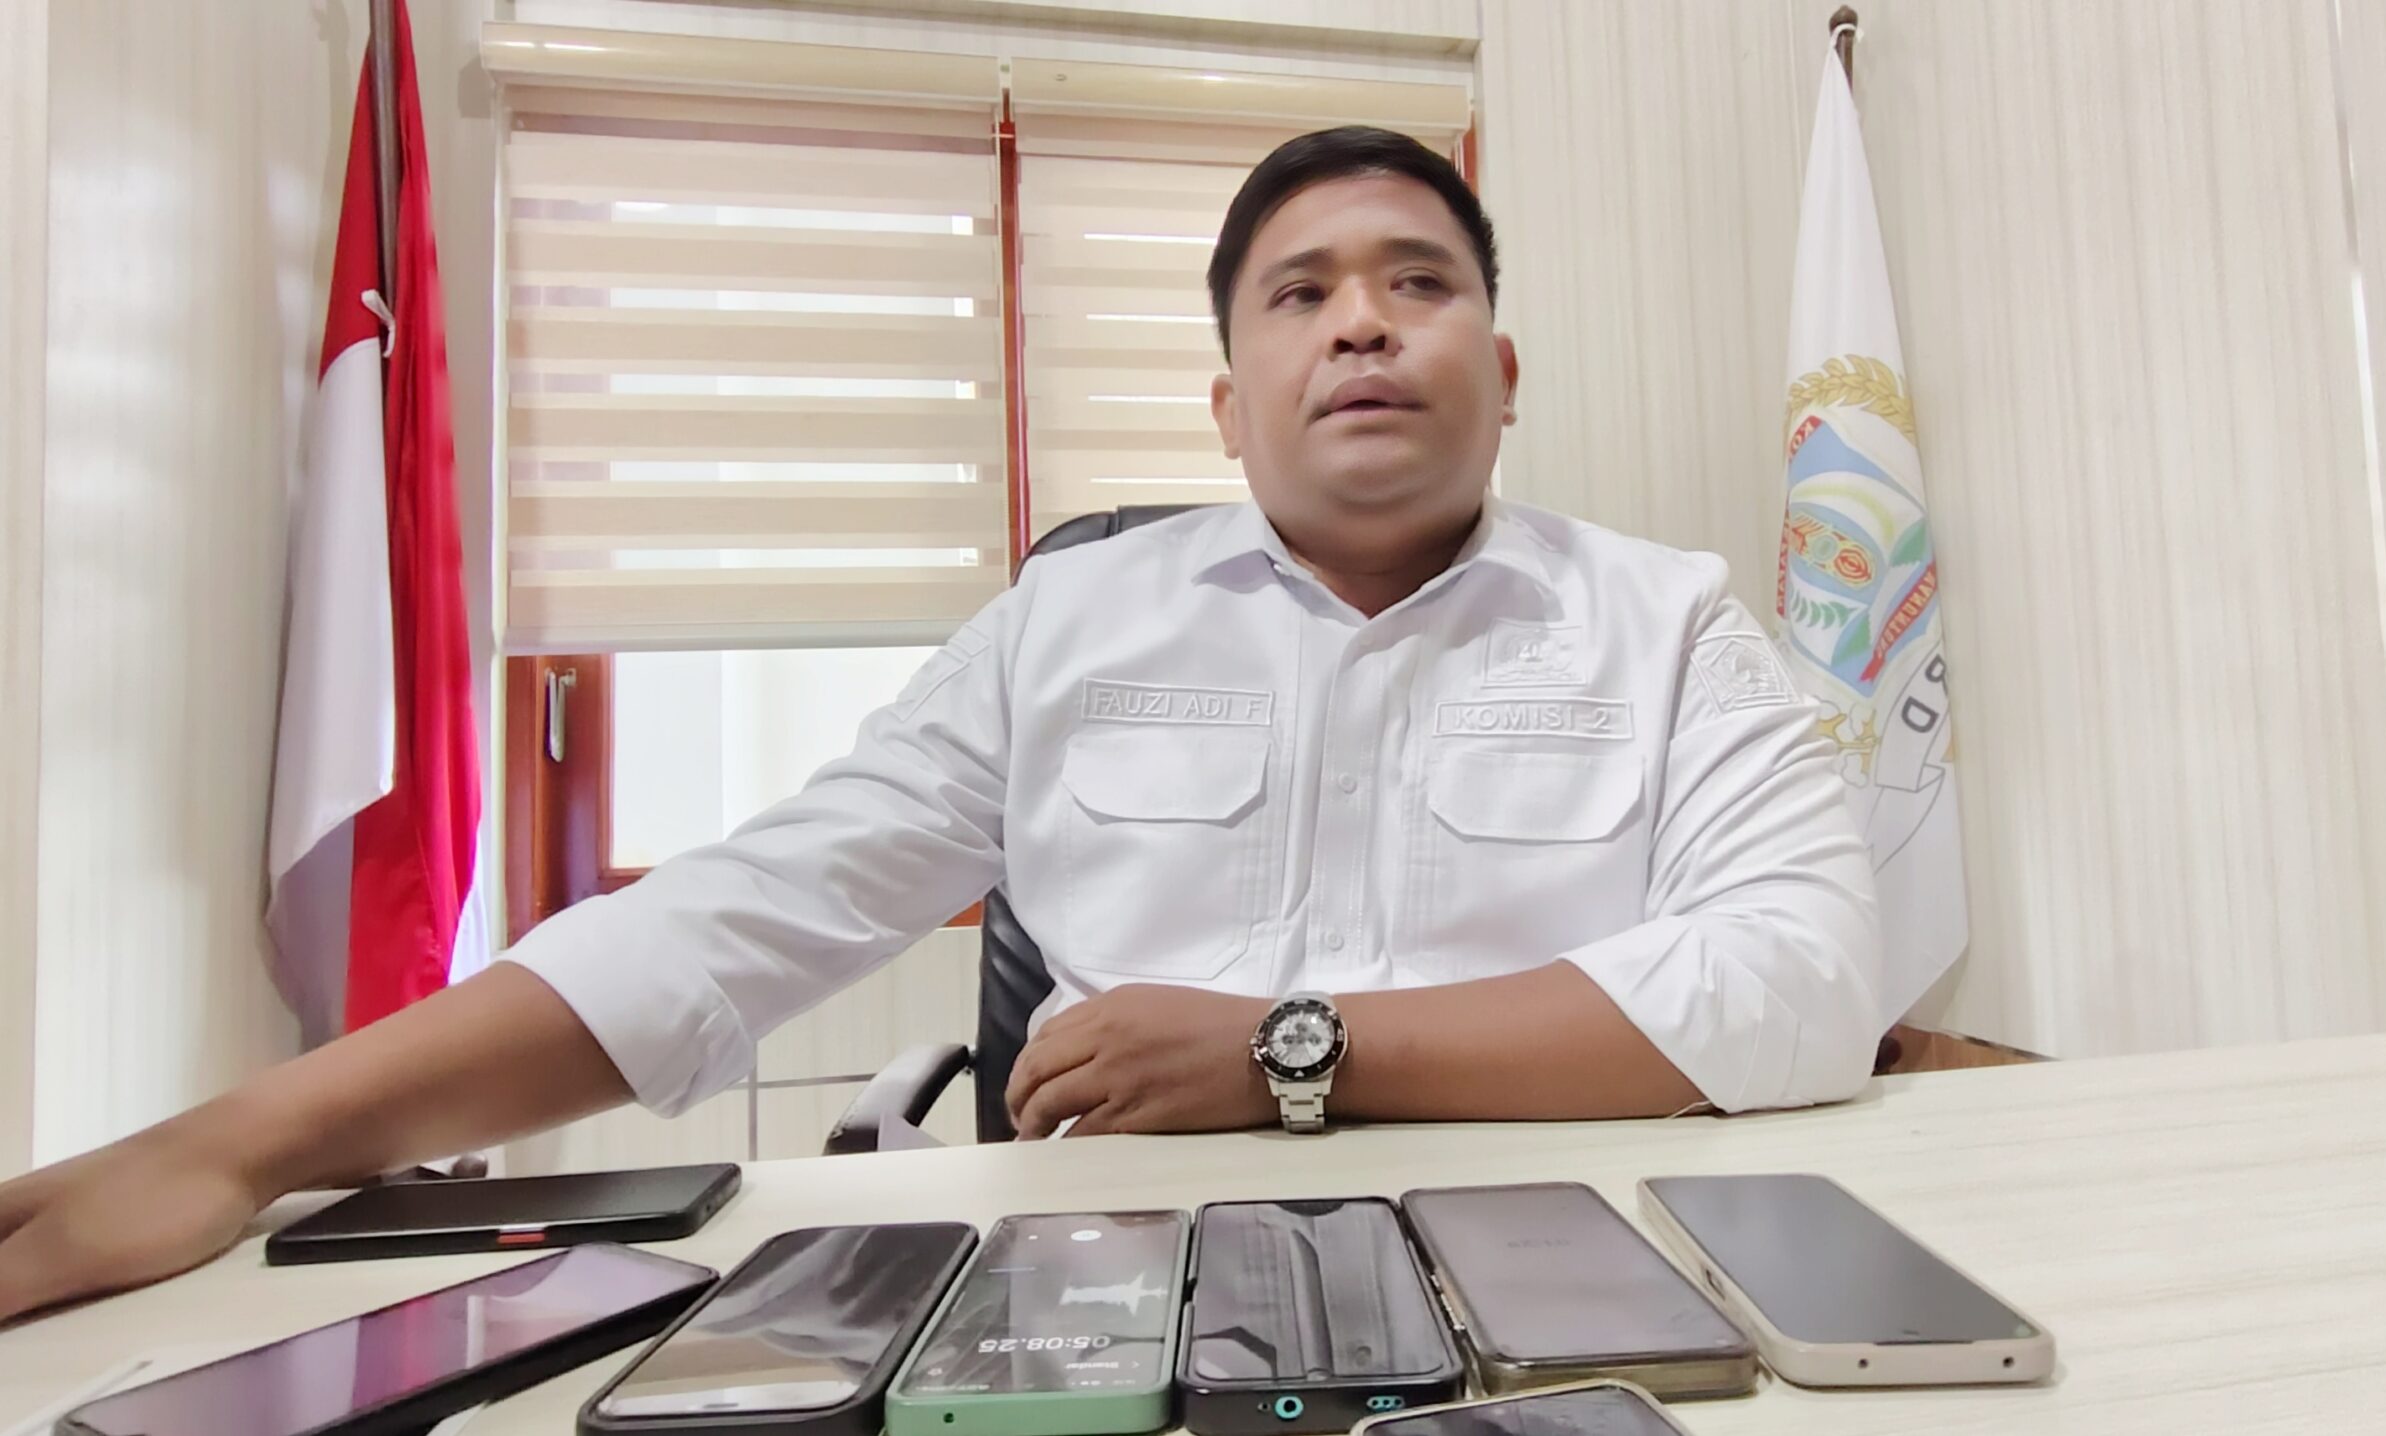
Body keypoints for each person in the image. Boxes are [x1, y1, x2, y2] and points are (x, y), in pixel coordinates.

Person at [0, 126, 1881, 1324]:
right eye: (1301, 295)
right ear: (1230, 405)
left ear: (1505, 370)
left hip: (1577, 1272)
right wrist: (246, 1144)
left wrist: (1290, 1053)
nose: (1364, 325)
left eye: (1421, 284)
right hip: (1119, 1293)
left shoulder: (1670, 620)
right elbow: (735, 918)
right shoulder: (1075, 622)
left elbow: (1802, 976)